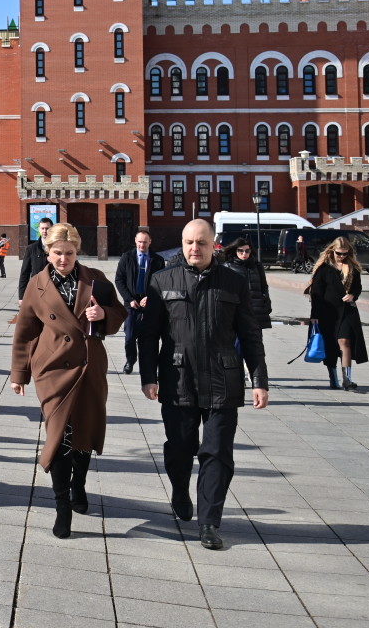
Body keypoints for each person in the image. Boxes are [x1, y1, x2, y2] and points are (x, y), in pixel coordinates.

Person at [138, 218, 268, 551]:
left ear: (214, 245)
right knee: (180, 448)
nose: (194, 248)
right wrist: (148, 377)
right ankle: (180, 489)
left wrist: (259, 379)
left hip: (223, 381)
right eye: (188, 242)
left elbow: (250, 334)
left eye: (201, 243)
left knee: (217, 453)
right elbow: (148, 335)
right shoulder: (161, 280)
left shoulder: (234, 282)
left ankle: (209, 521)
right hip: (178, 378)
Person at [11, 222, 126, 538]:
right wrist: (19, 373)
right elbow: (25, 331)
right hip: (52, 369)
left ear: (78, 252)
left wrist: (104, 317)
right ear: (48, 253)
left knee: (84, 431)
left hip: (89, 366)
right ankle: (62, 507)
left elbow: (118, 313)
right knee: (60, 434)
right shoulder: (37, 285)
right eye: (57, 253)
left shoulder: (96, 281)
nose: (63, 259)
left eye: (69, 253)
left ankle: (79, 484)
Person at [308, 237, 368, 392]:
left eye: (345, 254)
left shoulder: (353, 269)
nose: (341, 256)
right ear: (332, 251)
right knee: (330, 346)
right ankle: (333, 377)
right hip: (327, 313)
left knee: (345, 341)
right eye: (339, 253)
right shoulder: (323, 269)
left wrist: (353, 295)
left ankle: (347, 379)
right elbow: (316, 294)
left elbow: (358, 287)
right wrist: (314, 316)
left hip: (348, 311)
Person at [114, 228, 165, 376]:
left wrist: (150, 297)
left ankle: (149, 364)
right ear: (135, 241)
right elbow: (119, 280)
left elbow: (161, 282)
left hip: (149, 303)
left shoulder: (158, 260)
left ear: (150, 242)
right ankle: (130, 360)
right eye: (140, 242)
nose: (142, 245)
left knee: (148, 337)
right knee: (129, 336)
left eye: (145, 242)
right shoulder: (127, 257)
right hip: (131, 303)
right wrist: (129, 299)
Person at [225, 238, 272, 330]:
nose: (244, 254)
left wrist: (265, 302)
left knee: (255, 342)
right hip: (236, 312)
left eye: (247, 251)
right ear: (235, 251)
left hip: (256, 311)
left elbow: (264, 287)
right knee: (236, 342)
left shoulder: (257, 266)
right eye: (240, 251)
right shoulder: (228, 266)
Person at [17, 217, 55, 300]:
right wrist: (21, 297)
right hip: (37, 291)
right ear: (39, 229)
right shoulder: (31, 249)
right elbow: (24, 273)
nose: (45, 231)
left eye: (47, 228)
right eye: (42, 228)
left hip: (54, 291)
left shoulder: (58, 248)